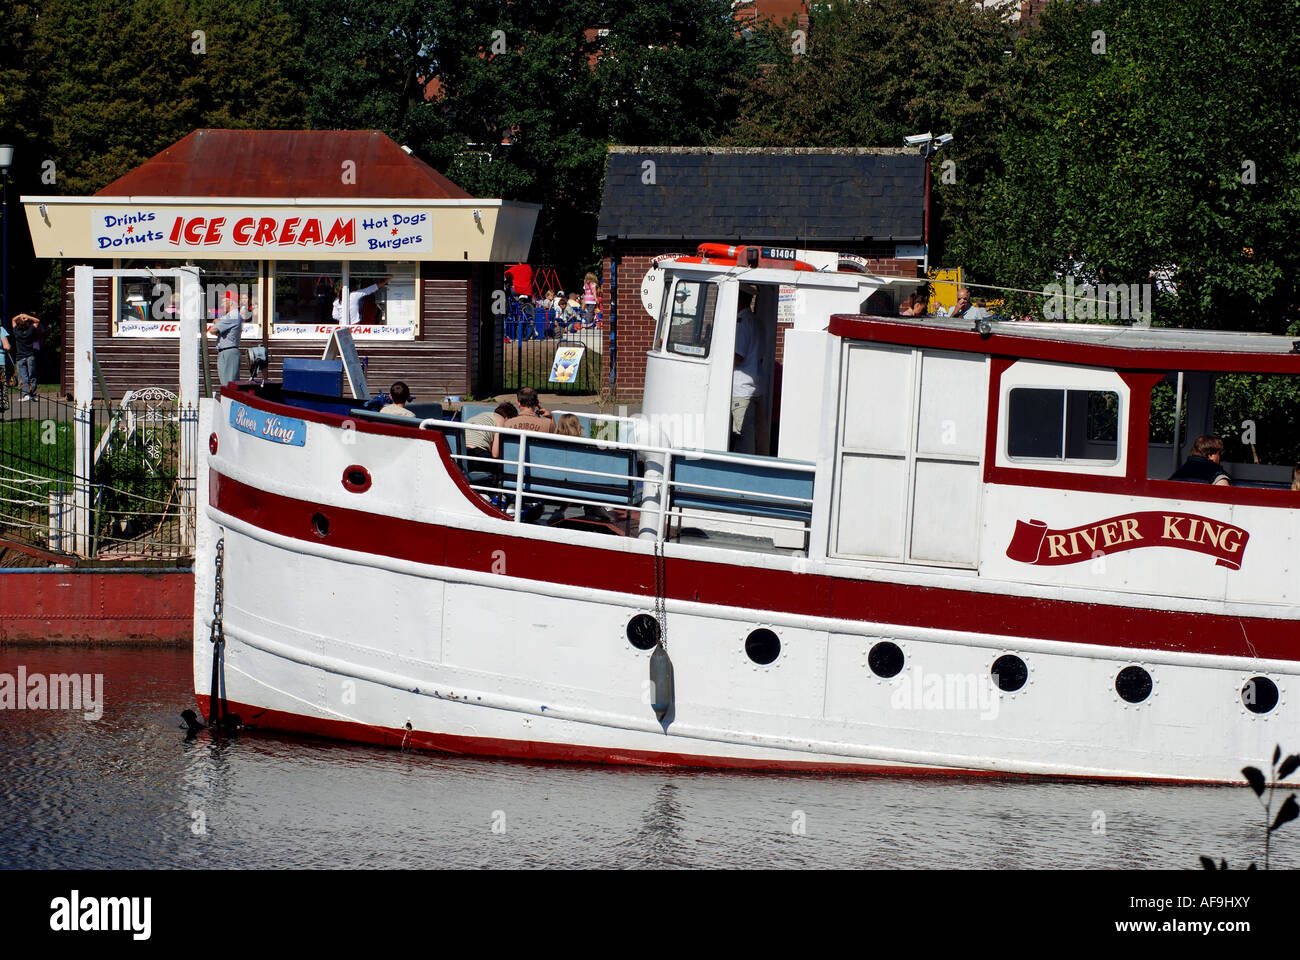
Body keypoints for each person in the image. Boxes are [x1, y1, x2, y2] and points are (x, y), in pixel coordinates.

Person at [731, 287, 762, 454]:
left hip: (741, 389)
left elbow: (739, 356)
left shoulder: (741, 322)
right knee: (750, 434)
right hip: (754, 385)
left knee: (742, 437)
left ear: (739, 299)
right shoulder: (755, 321)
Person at [208, 294, 243, 386]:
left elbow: (213, 330)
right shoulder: (231, 315)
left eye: (223, 301)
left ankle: (229, 400)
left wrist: (217, 323)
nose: (222, 304)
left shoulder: (233, 315)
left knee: (229, 385)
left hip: (228, 351)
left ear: (230, 302)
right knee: (227, 384)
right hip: (227, 351)